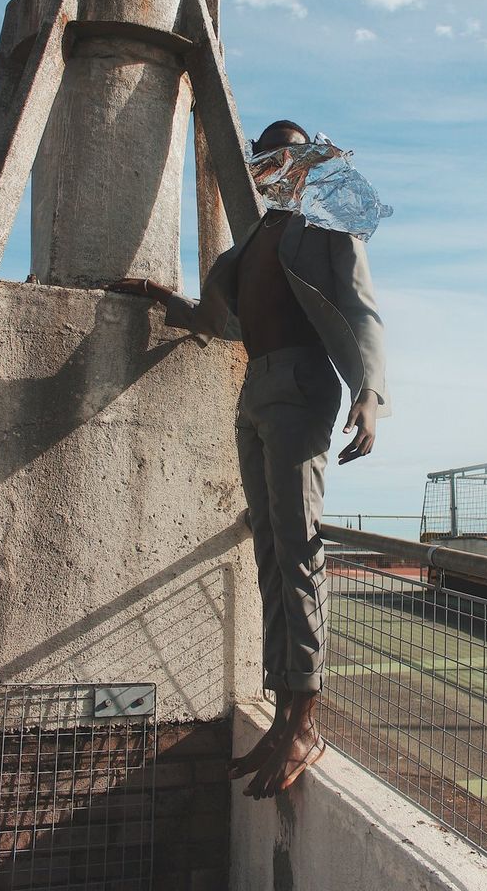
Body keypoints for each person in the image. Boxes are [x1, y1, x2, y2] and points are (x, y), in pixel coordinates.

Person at [110, 120, 387, 798]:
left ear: (306, 160)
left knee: (297, 547)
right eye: (266, 155)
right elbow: (219, 320)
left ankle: (306, 718)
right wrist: (162, 300)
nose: (275, 164)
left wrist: (371, 393)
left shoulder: (323, 226)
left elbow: (360, 305)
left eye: (288, 152)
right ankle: (283, 708)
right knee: (268, 548)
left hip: (302, 385)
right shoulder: (249, 247)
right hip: (256, 391)